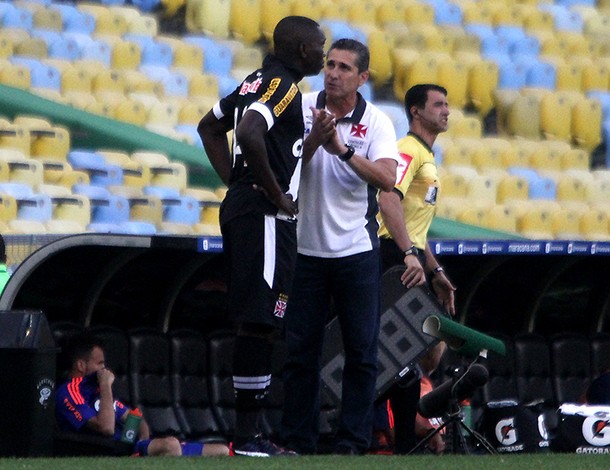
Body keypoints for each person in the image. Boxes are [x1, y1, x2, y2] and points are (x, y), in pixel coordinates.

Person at [196, 15, 326, 456]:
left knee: (262, 322)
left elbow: (209, 126)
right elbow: (249, 131)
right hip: (265, 216)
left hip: (252, 209)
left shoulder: (255, 80)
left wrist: (238, 182)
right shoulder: (282, 84)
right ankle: (248, 438)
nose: (324, 56)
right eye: (320, 47)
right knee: (259, 322)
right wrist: (272, 194)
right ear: (303, 50)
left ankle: (250, 435)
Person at [280, 38, 400, 456]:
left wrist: (342, 150)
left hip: (355, 252)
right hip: (304, 250)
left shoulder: (379, 123)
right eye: (330, 64)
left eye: (345, 68)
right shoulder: (301, 106)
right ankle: (298, 440)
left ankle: (352, 442)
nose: (333, 72)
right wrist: (314, 139)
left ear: (362, 78)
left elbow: (387, 180)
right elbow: (283, 165)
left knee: (362, 352)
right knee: (299, 352)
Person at [373, 84, 457, 454]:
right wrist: (407, 253)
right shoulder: (408, 150)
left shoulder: (426, 155)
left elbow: (416, 228)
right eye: (438, 104)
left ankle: (402, 443)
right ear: (415, 112)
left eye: (447, 104)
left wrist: (436, 271)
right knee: (396, 357)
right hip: (390, 257)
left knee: (404, 358)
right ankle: (385, 441)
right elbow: (388, 196)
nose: (446, 110)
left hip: (405, 255)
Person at [55, 332, 230, 457]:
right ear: (80, 365)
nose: (104, 369)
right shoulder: (70, 392)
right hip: (108, 450)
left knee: (221, 451)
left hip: (130, 447)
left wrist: (141, 441)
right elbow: (106, 428)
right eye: (100, 363)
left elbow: (136, 420)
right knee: (170, 445)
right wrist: (106, 385)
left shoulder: (95, 389)